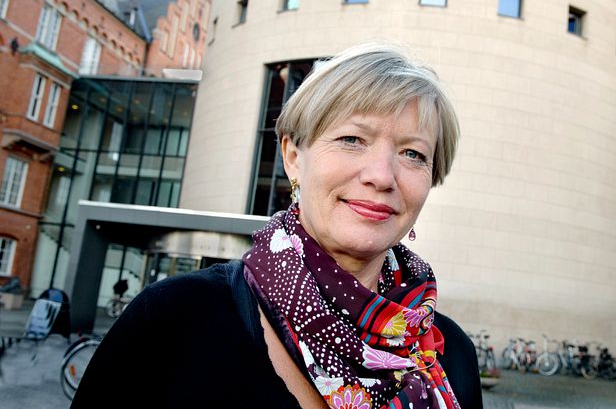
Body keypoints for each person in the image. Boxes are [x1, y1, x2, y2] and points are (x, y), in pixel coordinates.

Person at [71, 42, 482, 408]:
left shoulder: (452, 354)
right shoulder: (175, 319)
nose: (382, 175)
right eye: (352, 140)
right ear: (292, 156)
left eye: (412, 153)